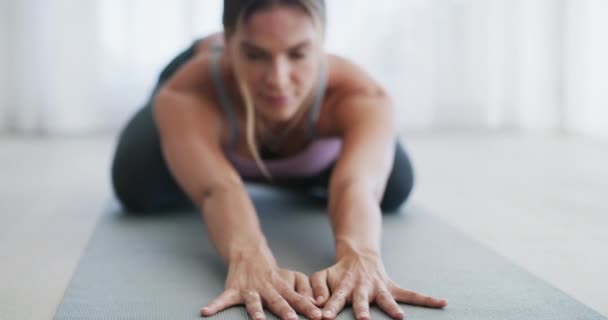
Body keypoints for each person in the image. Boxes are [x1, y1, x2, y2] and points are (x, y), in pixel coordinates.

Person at [111, 1, 448, 319]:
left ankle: (285, 163)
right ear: (229, 45)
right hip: (205, 94)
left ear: (321, 45)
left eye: (298, 54)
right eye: (255, 54)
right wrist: (250, 257)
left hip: (312, 139)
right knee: (135, 184)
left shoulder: (361, 93)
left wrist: (361, 255)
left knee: (395, 186)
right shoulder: (189, 90)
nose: (278, 78)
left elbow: (357, 183)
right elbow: (218, 188)